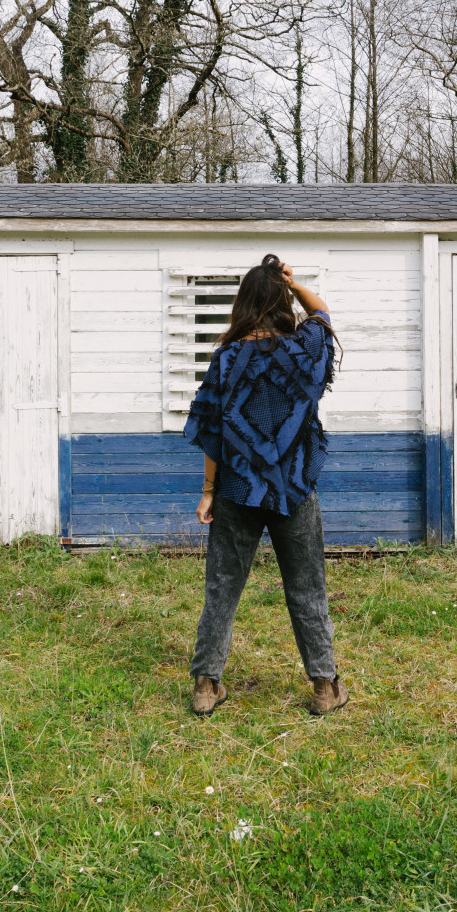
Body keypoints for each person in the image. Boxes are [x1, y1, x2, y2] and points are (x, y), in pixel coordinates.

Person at [183, 254, 349, 717]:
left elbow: (213, 428)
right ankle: (324, 686)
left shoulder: (228, 359)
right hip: (294, 488)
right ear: (280, 302)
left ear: (243, 303)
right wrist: (294, 286)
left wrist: (209, 490)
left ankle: (206, 686)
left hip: (237, 489)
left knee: (222, 587)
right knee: (307, 588)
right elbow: (323, 315)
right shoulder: (305, 349)